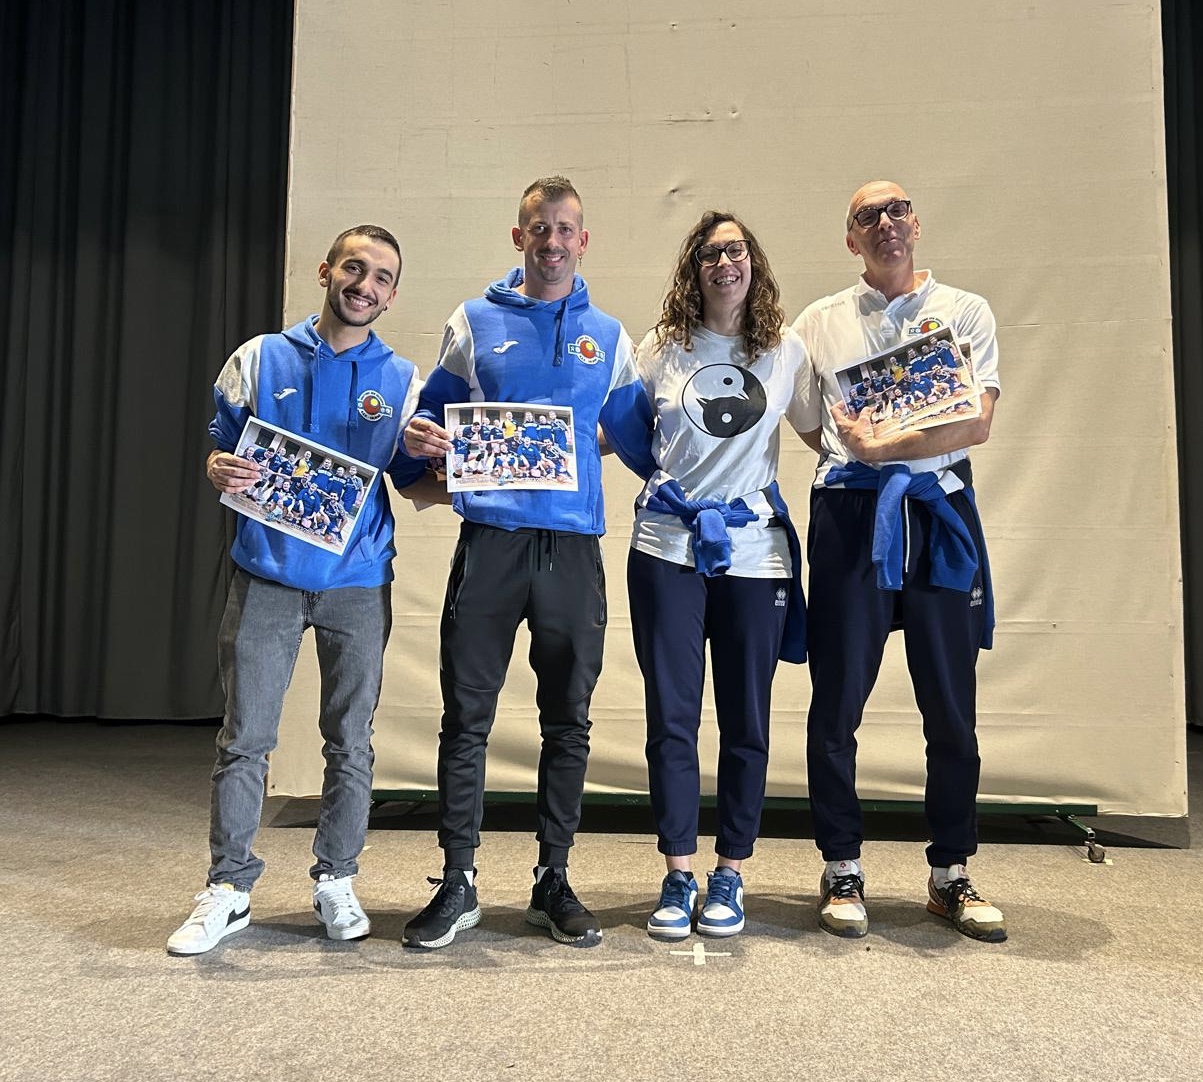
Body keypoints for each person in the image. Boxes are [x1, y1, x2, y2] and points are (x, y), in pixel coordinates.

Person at [166, 224, 427, 956]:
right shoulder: (258, 357)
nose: (364, 285)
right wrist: (216, 466)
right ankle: (229, 887)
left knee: (350, 741)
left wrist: (446, 460)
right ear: (326, 270)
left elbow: (415, 480)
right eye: (354, 268)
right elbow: (222, 447)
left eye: (381, 277)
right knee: (245, 737)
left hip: (357, 581)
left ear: (392, 296)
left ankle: (337, 878)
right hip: (265, 575)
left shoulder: (404, 380)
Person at [398, 175, 643, 950]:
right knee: (465, 718)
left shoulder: (609, 336)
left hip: (570, 548)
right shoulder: (472, 322)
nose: (552, 241)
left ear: (583, 240)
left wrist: (580, 448)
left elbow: (638, 437)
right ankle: (458, 880)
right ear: (518, 237)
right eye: (539, 227)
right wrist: (422, 443)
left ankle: (552, 878)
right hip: (491, 545)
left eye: (565, 229)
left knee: (567, 720)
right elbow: (426, 426)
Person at [791, 181, 1006, 943]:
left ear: (915, 223)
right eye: (866, 216)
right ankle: (840, 866)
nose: (884, 223)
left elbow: (975, 423)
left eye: (895, 210)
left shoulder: (964, 311)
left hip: (938, 513)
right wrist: (863, 457)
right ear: (850, 239)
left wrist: (885, 447)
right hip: (851, 516)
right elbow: (812, 427)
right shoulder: (817, 321)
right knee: (836, 701)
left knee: (950, 705)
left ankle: (950, 873)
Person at [605, 211, 809, 940]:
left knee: (746, 719)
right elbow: (611, 429)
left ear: (754, 263)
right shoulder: (661, 347)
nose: (726, 263)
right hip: (667, 547)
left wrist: (904, 437)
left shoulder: (785, 350)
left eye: (737, 250)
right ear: (693, 268)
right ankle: (678, 872)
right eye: (711, 253)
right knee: (672, 716)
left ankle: (730, 871)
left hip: (755, 554)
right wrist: (522, 446)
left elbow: (829, 431)